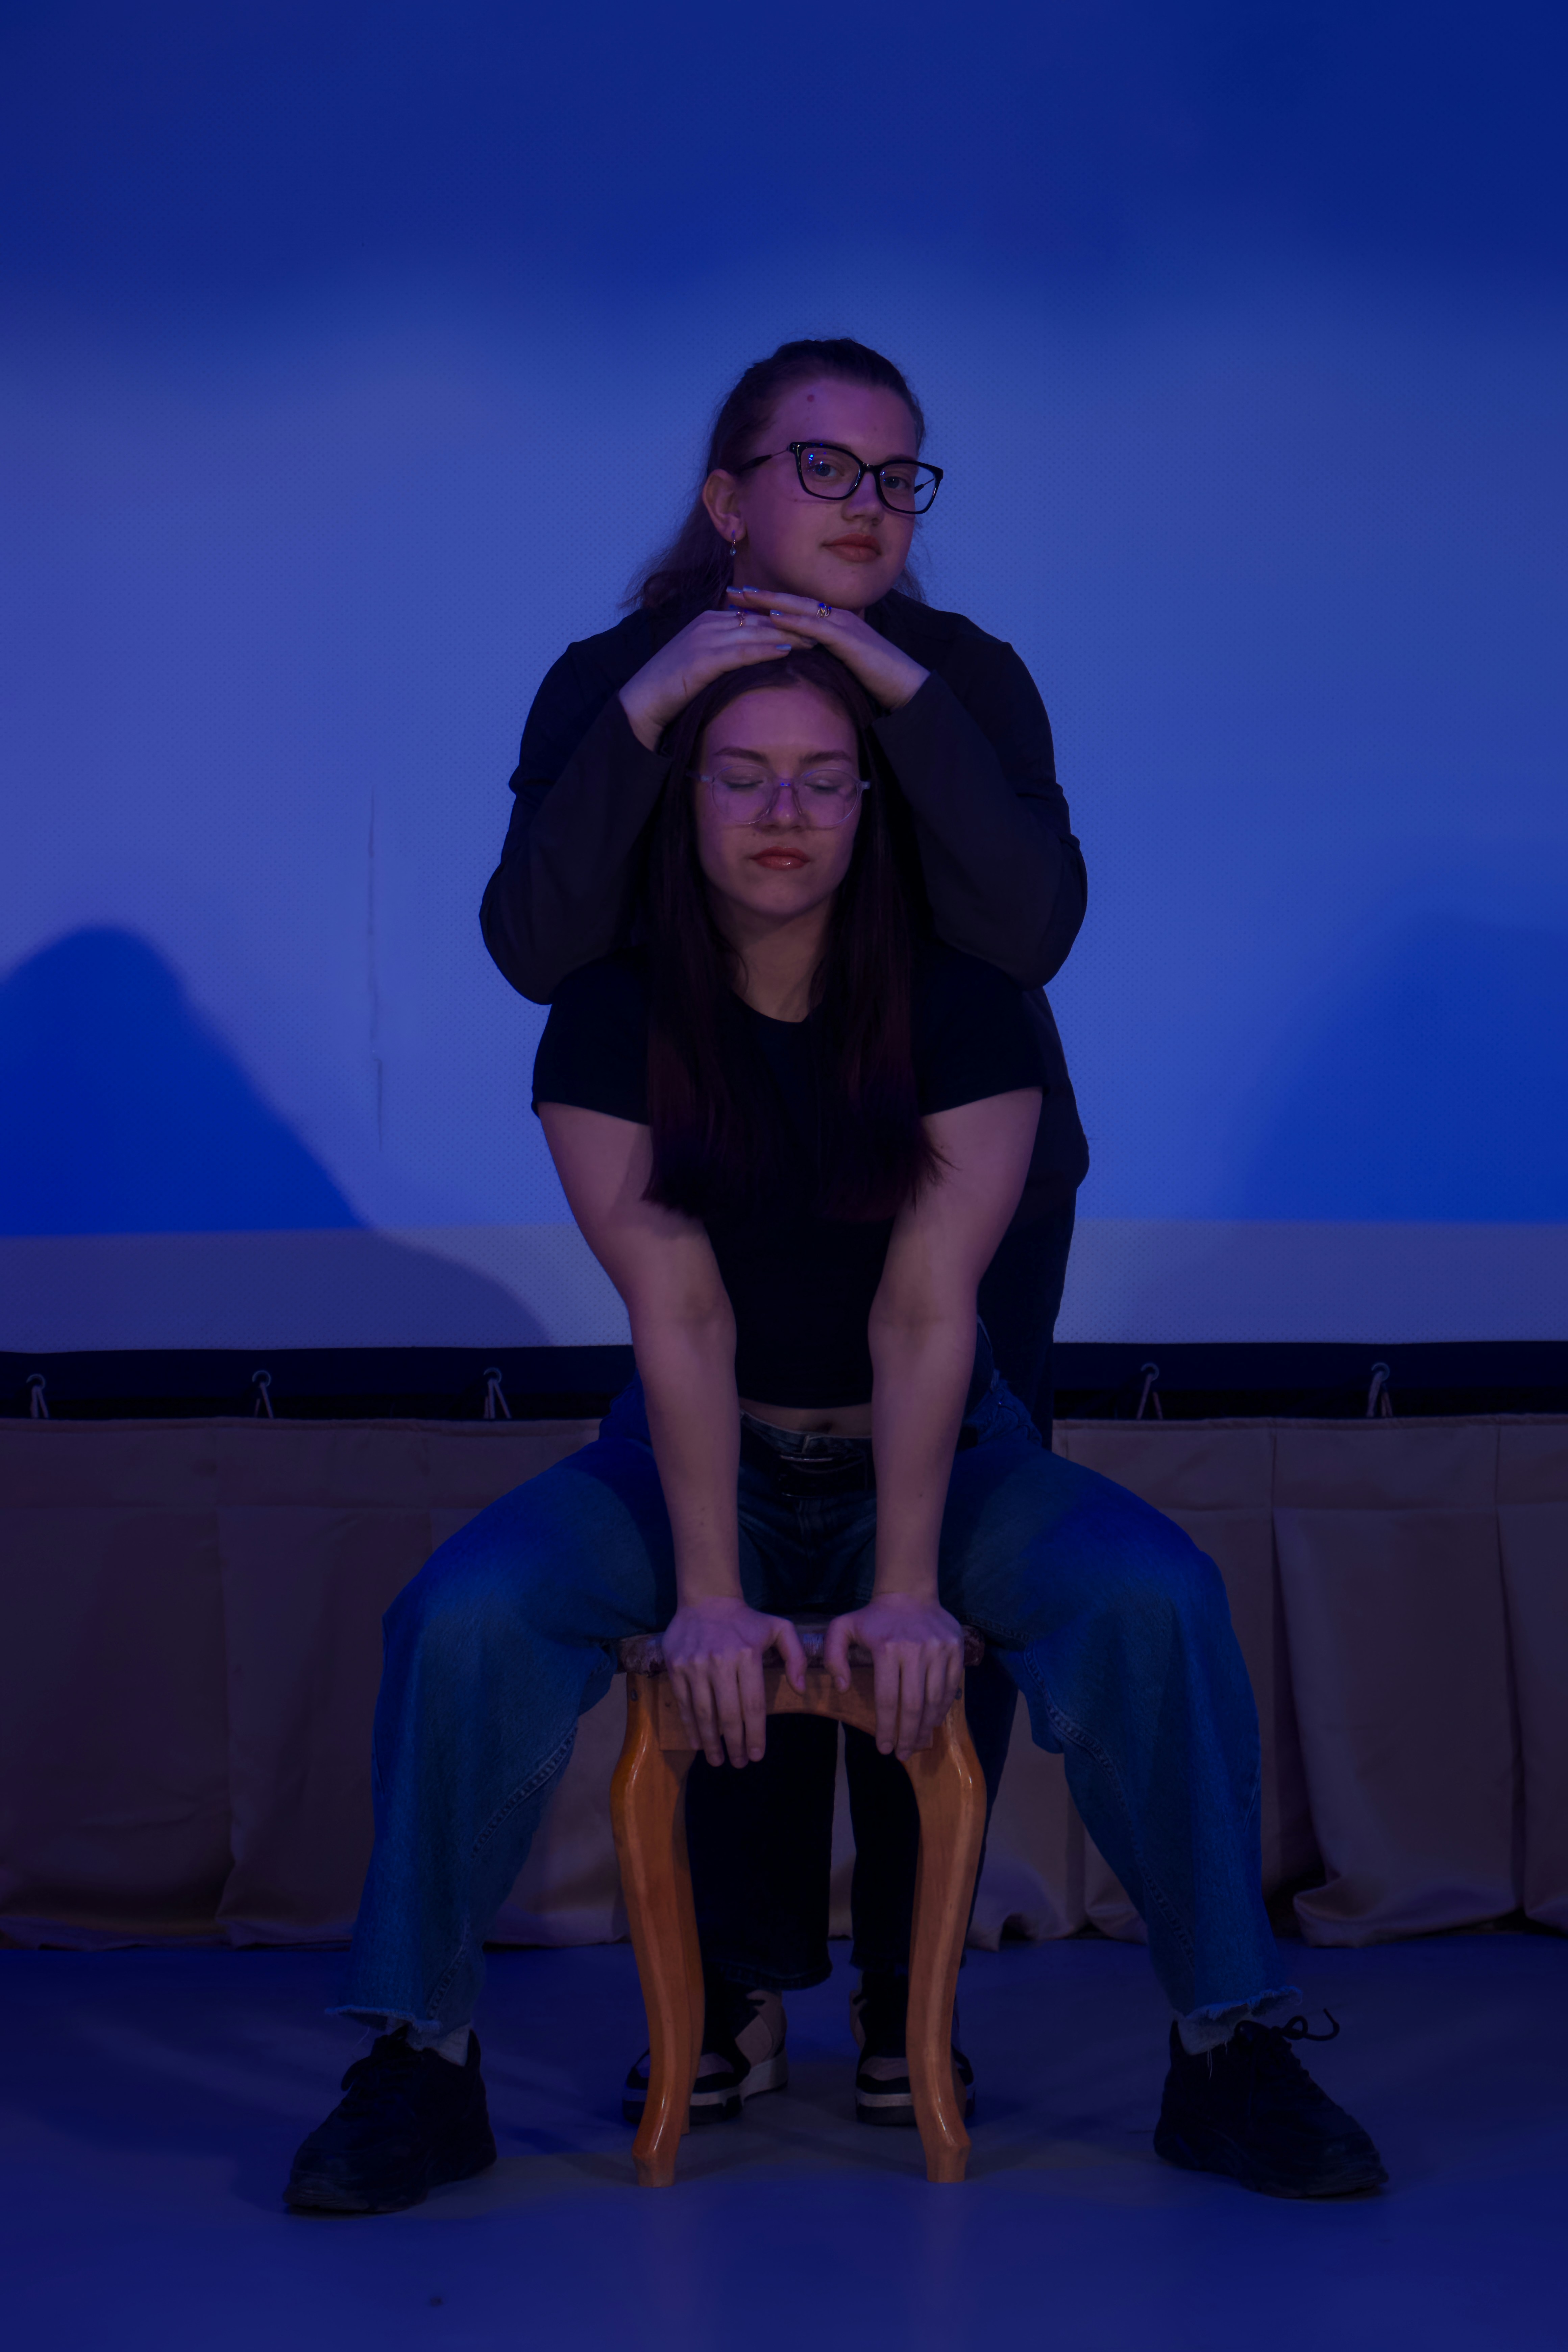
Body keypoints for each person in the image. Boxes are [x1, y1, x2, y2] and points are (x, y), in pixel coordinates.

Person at [285, 650, 1385, 2214]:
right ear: (684, 804)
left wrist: (910, 1585)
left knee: (1155, 1594)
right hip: (691, 1455)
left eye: (819, 780)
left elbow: (926, 1314)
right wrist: (709, 1594)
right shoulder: (605, 1016)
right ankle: (419, 2057)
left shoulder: (968, 1007)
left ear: (869, 807)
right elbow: (681, 1316)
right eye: (742, 778)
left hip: (937, 1455)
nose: (781, 812)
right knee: (462, 1615)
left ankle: (1229, 2047)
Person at [479, 338, 1088, 2122]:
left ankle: (911, 2000)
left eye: (897, 475)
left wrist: (896, 687)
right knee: (731, 1558)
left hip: (957, 1190)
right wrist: (650, 711)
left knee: (927, 1577)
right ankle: (736, 1989)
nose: (868, 503)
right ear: (724, 495)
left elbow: (1028, 930)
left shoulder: (965, 676)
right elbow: (537, 944)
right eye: (823, 467)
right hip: (724, 1176)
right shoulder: (610, 678)